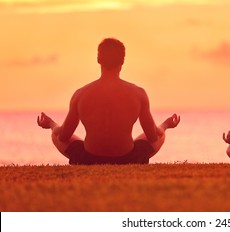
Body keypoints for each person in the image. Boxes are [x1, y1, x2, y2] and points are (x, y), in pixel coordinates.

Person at [37, 37, 180, 165]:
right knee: (160, 135)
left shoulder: (80, 94)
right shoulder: (138, 93)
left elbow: (63, 136)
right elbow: (153, 136)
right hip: (128, 158)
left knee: (55, 135)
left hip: (88, 159)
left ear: (98, 59)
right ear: (122, 61)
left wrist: (51, 124)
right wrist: (166, 125)